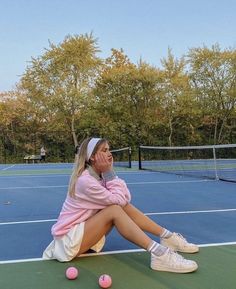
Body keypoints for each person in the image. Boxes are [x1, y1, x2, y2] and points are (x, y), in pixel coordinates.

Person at [43, 137, 199, 273]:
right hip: (68, 241)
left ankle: (167, 237)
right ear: (92, 157)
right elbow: (119, 202)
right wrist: (110, 173)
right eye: (104, 150)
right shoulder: (86, 181)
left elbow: (125, 200)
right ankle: (159, 254)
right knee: (114, 210)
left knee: (118, 207)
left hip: (82, 235)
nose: (110, 154)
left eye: (109, 150)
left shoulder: (99, 176)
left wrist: (108, 174)